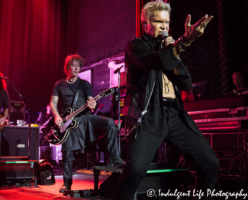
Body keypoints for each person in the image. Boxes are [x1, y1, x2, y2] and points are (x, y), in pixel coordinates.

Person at [113, 1, 219, 200]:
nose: (164, 27)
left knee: (210, 163)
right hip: (149, 114)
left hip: (174, 114)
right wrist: (183, 42)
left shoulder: (171, 48)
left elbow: (186, 81)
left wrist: (176, 49)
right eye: (158, 21)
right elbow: (154, 61)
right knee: (134, 172)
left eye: (167, 22)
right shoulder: (137, 46)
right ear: (145, 25)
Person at [50, 54, 124, 192]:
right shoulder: (59, 85)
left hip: (84, 119)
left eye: (79, 65)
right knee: (67, 152)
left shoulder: (85, 84)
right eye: (74, 65)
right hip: (68, 121)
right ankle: (66, 184)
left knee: (109, 123)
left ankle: (114, 157)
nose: (77, 67)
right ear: (67, 68)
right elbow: (53, 103)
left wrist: (92, 104)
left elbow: (91, 99)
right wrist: (56, 116)